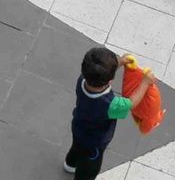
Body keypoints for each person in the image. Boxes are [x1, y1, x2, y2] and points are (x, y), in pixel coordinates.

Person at [67, 46, 159, 178]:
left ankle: (70, 164)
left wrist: (120, 63)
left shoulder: (82, 80)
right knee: (89, 170)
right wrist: (145, 83)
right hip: (94, 143)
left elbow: (98, 74)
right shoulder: (111, 105)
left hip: (78, 127)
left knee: (76, 148)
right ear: (110, 81)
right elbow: (131, 103)